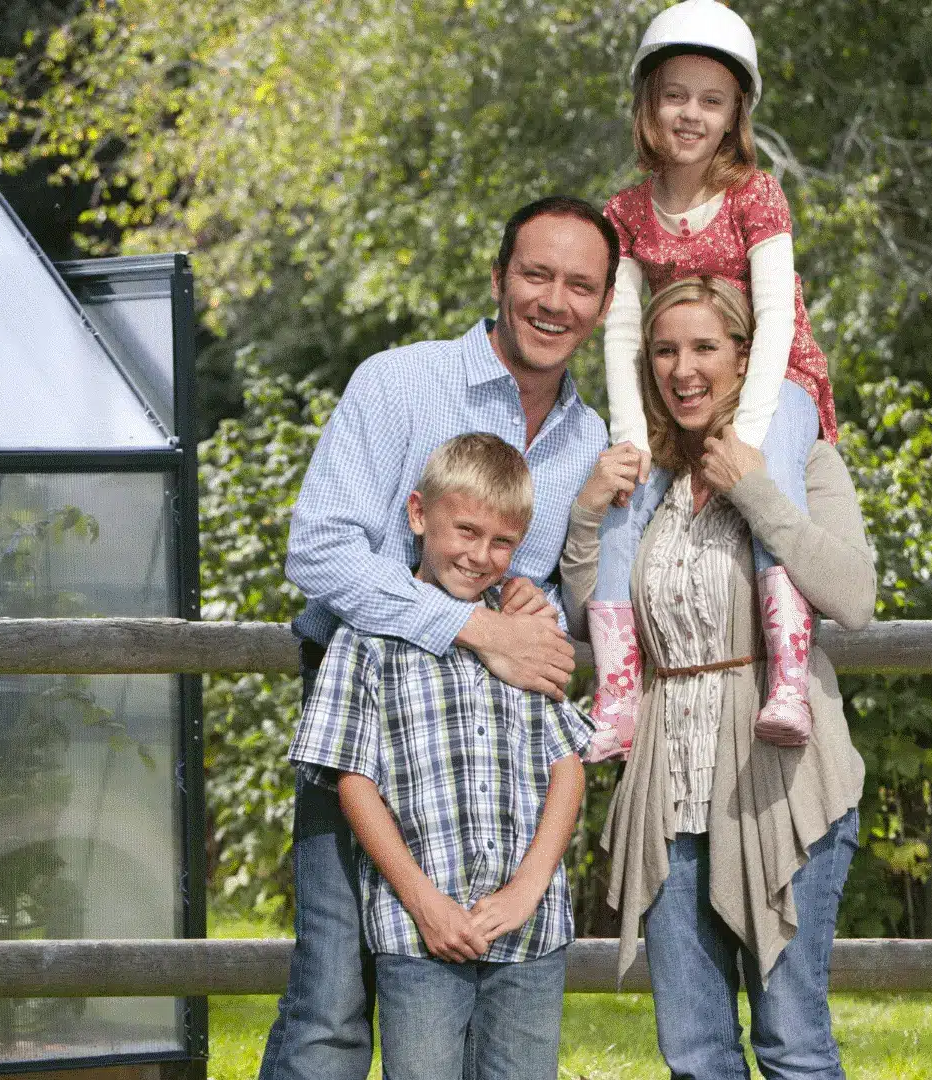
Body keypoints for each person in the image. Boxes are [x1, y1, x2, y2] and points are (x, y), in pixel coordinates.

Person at [264, 195, 642, 1079]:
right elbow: (319, 548)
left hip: (488, 752)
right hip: (365, 721)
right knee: (331, 995)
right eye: (536, 275)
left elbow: (535, 580)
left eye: (580, 285)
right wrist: (472, 626)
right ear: (501, 276)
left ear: (605, 301)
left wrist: (526, 605)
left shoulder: (588, 439)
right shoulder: (400, 382)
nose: (555, 301)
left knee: (474, 1000)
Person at [561, 276, 876, 1080]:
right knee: (695, 1052)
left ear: (745, 356)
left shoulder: (801, 455)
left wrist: (754, 490)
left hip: (783, 784)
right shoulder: (649, 483)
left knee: (791, 1041)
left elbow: (854, 597)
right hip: (668, 790)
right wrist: (589, 515)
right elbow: (584, 616)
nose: (683, 368)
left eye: (704, 347)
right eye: (665, 350)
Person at [289, 433, 589, 1079]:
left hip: (527, 934)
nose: (481, 556)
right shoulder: (369, 639)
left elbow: (568, 766)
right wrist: (425, 902)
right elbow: (352, 782)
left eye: (502, 542)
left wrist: (528, 888)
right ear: (419, 515)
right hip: (420, 932)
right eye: (466, 530)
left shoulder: (523, 636)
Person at [585, 0, 838, 763]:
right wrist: (632, 438)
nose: (690, 114)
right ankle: (618, 693)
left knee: (768, 486)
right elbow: (624, 329)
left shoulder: (755, 195)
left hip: (770, 377)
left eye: (711, 100)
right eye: (674, 95)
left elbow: (775, 318)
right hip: (677, 388)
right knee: (622, 494)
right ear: (648, 104)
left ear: (735, 116)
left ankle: (788, 678)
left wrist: (751, 435)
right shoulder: (626, 210)